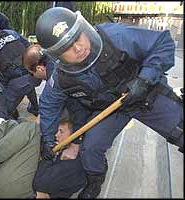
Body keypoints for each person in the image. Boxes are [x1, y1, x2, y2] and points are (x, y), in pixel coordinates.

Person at [34, 7, 184, 198]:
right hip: (110, 110)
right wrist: (47, 138)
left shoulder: (116, 36)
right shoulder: (62, 78)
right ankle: (94, 182)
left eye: (77, 38)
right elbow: (48, 104)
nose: (78, 48)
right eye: (67, 48)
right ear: (57, 56)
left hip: (145, 94)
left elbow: (162, 43)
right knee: (90, 150)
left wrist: (145, 78)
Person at [0, 29, 40, 116]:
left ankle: (8, 116)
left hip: (15, 81)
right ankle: (35, 108)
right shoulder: (10, 33)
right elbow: (29, 47)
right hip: (33, 73)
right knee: (27, 82)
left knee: (6, 109)